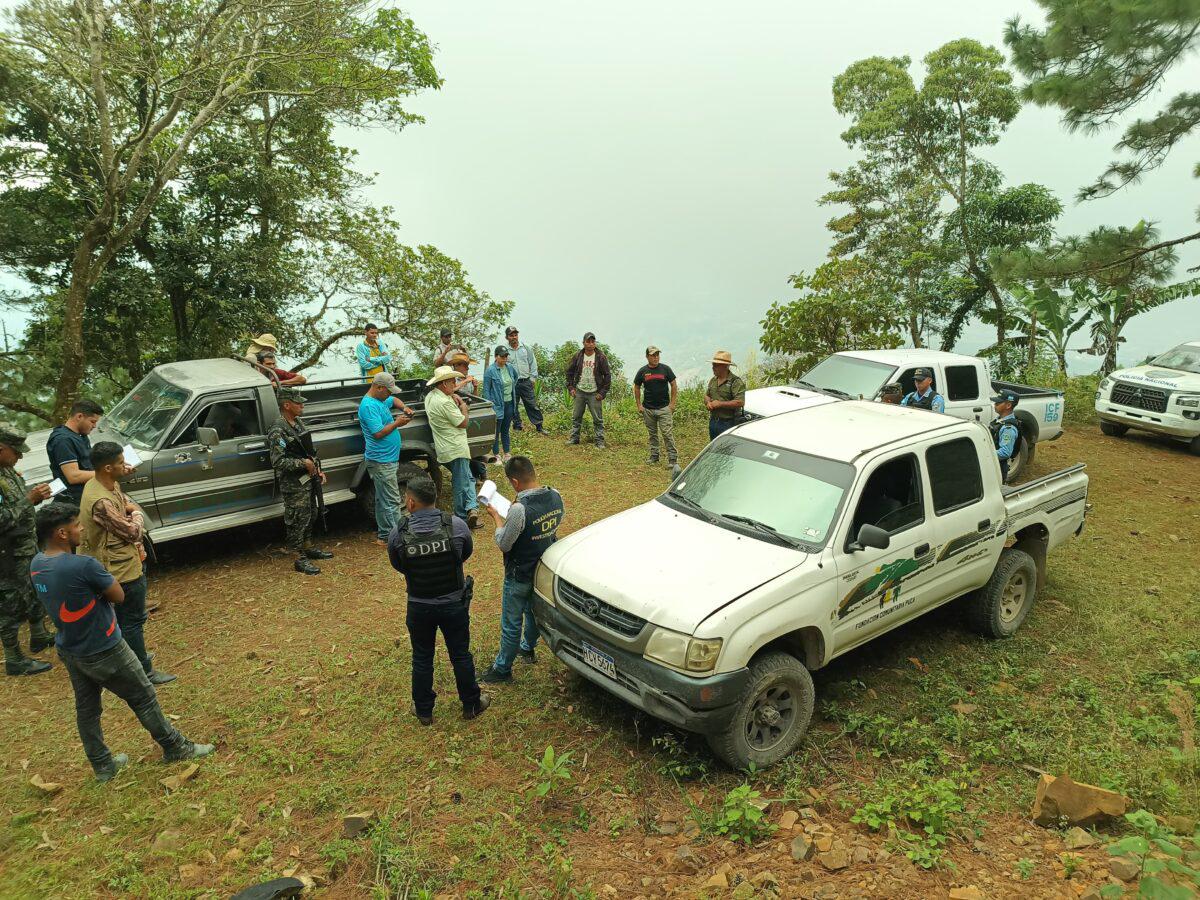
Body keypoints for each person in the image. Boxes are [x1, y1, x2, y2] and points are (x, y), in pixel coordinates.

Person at [31, 504, 214, 781]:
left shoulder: (37, 563)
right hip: (104, 647)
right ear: (62, 533)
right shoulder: (83, 565)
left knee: (87, 709)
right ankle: (175, 746)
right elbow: (118, 596)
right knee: (143, 697)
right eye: (76, 525)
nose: (81, 528)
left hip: (70, 648)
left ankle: (103, 765)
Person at [386, 476, 489, 725]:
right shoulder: (457, 526)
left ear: (410, 503)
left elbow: (399, 565)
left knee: (422, 657)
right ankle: (471, 704)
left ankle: (423, 711)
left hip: (419, 605)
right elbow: (464, 554)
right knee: (461, 654)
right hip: (453, 604)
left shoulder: (398, 533)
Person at [79, 442, 176, 685]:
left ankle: (132, 655)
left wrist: (129, 510)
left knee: (125, 619)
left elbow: (123, 502)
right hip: (120, 568)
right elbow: (133, 531)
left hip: (121, 561)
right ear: (108, 467)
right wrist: (138, 515)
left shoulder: (103, 483)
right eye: (122, 463)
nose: (127, 466)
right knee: (131, 620)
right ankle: (143, 670)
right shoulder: (100, 501)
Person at [479, 456, 564, 684]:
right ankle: (528, 649)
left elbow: (504, 543)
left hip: (518, 574)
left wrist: (497, 519)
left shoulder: (518, 509)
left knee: (511, 622)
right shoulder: (556, 496)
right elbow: (552, 528)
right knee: (533, 613)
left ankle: (502, 668)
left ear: (515, 482)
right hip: (541, 569)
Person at [0, 425, 54, 676]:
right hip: (7, 556)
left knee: (34, 592)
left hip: (25, 548)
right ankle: (14, 659)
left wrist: (35, 499)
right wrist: (29, 500)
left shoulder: (7, 471)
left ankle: (39, 635)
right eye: (16, 451)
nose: (20, 456)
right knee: (10, 605)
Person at [269, 388, 335, 574]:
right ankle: (298, 558)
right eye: (298, 403)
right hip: (293, 484)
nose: (302, 405)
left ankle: (307, 547)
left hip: (308, 480)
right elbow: (278, 461)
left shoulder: (297, 422)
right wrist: (303, 463)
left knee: (310, 514)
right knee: (297, 520)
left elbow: (308, 451)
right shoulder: (278, 430)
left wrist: (317, 469)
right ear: (286, 405)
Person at [358, 373, 416, 545]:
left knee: (382, 499)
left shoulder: (381, 399)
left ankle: (384, 536)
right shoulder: (368, 406)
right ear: (379, 387)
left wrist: (404, 408)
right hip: (381, 460)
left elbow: (395, 400)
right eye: (388, 391)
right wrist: (397, 423)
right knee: (392, 500)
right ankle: (401, 540)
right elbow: (378, 433)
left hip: (386, 459)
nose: (390, 394)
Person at [425, 366, 481, 528]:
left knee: (467, 477)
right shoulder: (444, 402)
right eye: (452, 381)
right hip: (455, 447)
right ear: (443, 384)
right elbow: (463, 422)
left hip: (444, 447)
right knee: (461, 483)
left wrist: (454, 395)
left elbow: (450, 395)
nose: (455, 384)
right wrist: (463, 406)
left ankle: (472, 508)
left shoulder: (432, 396)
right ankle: (462, 517)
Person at [46, 399, 103, 505]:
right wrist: (107, 473)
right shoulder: (63, 440)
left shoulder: (81, 436)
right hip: (74, 502)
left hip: (89, 496)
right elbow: (73, 476)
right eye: (93, 421)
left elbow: (88, 463)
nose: (94, 426)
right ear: (79, 416)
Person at [633, 346, 679, 474]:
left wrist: (672, 404)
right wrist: (639, 405)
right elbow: (636, 387)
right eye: (653, 355)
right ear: (647, 356)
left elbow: (674, 384)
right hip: (648, 409)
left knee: (667, 433)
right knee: (652, 434)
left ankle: (673, 459)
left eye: (657, 355)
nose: (656, 357)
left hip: (664, 408)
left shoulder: (665, 369)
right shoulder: (643, 371)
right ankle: (654, 456)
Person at [565, 332, 611, 449]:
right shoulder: (578, 356)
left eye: (592, 342)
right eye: (588, 341)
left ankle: (599, 441)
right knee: (576, 416)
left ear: (595, 343)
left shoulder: (601, 357)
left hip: (594, 393)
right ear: (583, 343)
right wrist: (571, 388)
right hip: (580, 391)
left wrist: (602, 393)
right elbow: (569, 372)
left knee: (597, 419)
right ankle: (574, 438)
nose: (590, 344)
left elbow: (607, 376)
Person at [504, 326, 545, 434]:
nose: (514, 337)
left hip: (526, 381)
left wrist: (532, 378)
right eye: (511, 335)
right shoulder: (504, 350)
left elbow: (533, 363)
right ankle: (517, 426)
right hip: (512, 383)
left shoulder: (525, 348)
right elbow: (501, 366)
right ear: (507, 337)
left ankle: (539, 426)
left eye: (515, 335)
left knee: (531, 404)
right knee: (513, 405)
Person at [483, 346, 517, 462]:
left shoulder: (510, 368)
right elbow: (486, 390)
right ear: (496, 356)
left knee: (506, 429)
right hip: (497, 405)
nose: (504, 359)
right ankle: (496, 454)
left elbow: (515, 379)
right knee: (496, 431)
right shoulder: (490, 370)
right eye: (502, 356)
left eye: (506, 356)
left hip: (509, 403)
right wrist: (490, 406)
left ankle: (507, 453)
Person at [705, 350, 746, 440]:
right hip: (713, 421)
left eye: (716, 365)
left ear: (725, 366)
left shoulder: (736, 382)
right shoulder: (713, 380)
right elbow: (707, 395)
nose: (713, 367)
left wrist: (720, 404)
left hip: (728, 423)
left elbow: (740, 402)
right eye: (713, 365)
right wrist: (708, 402)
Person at [990, 389, 1022, 482]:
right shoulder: (999, 421)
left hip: (998, 469)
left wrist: (985, 454)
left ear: (1008, 405)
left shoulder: (1008, 428)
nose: (994, 404)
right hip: (993, 464)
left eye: (998, 403)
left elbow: (1005, 452)